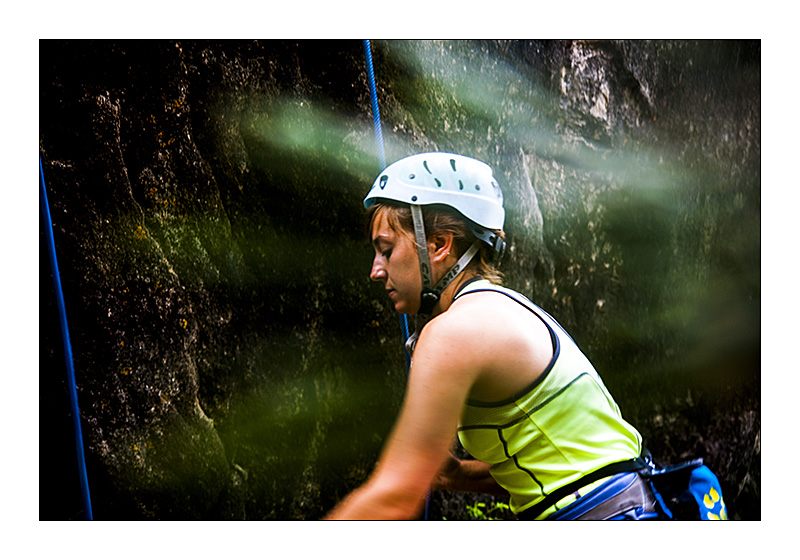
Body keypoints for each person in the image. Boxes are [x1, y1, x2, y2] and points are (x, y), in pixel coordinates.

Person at [324, 152, 659, 520]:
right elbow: (564, 467)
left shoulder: (454, 331)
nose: (376, 270)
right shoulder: (502, 307)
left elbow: (395, 498)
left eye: (386, 250)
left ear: (439, 245)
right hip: (623, 505)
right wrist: (458, 474)